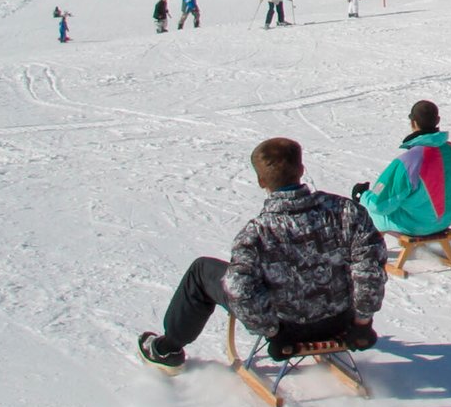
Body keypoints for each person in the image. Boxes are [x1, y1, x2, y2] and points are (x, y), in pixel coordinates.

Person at [136, 137, 386, 372]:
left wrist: (274, 332)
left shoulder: (256, 234)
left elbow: (239, 290)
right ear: (301, 169)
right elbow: (370, 269)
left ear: (261, 182)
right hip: (340, 321)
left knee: (203, 271)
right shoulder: (346, 212)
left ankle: (167, 349)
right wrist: (362, 322)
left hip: (288, 331)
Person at [356, 100, 451, 238]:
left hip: (413, 226)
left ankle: (368, 248)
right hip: (444, 221)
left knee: (369, 210)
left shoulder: (408, 161)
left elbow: (379, 205)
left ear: (413, 123)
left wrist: (362, 196)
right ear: (438, 120)